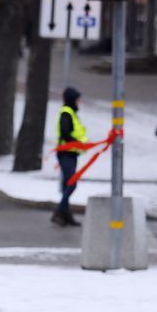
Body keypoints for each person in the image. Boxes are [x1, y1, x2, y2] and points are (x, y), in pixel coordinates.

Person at [52, 87, 86, 226]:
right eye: (77, 99)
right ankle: (60, 210)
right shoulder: (67, 113)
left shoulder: (71, 112)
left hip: (71, 153)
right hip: (66, 152)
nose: (79, 102)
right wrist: (76, 143)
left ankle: (65, 213)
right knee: (71, 183)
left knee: (68, 183)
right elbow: (65, 132)